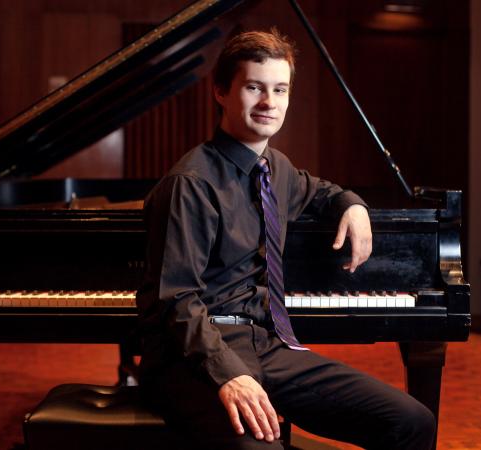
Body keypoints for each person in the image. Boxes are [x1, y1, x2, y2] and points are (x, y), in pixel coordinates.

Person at [135, 29, 437, 450]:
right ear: (220, 92)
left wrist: (352, 205)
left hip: (267, 345)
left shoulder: (275, 168)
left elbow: (321, 191)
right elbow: (177, 299)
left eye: (280, 89)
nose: (269, 103)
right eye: (254, 87)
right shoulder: (190, 183)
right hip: (194, 356)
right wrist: (229, 373)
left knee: (410, 421)